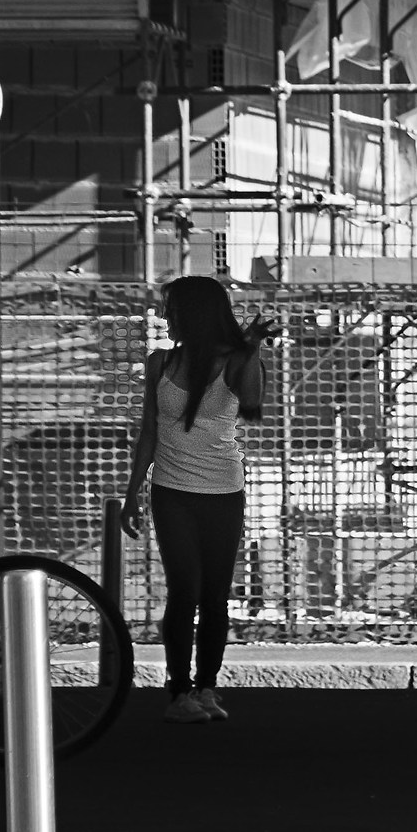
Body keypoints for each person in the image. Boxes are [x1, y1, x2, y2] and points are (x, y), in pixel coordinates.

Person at [119, 275, 278, 724]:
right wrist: (133, 495)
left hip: (224, 491)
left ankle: (207, 687)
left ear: (193, 313)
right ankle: (179, 692)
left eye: (170, 308)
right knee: (183, 590)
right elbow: (148, 433)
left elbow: (252, 402)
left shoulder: (234, 360)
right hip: (172, 491)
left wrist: (253, 350)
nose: (164, 315)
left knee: (214, 596)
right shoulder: (159, 363)